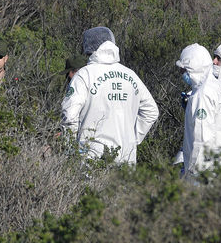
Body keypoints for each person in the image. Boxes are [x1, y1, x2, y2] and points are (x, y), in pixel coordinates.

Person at [61, 26, 159, 165]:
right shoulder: (130, 75)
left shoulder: (85, 74)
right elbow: (151, 111)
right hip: (126, 157)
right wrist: (132, 139)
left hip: (91, 156)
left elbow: (69, 114)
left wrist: (70, 149)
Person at [176, 44, 221, 176]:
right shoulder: (218, 86)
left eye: (184, 70)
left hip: (203, 172)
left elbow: (201, 139)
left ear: (193, 68)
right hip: (220, 165)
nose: (181, 73)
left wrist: (192, 171)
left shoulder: (202, 95)